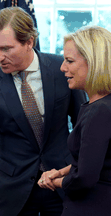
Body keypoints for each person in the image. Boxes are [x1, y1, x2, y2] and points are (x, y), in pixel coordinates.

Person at [0, 7, 87, 216]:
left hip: (61, 181)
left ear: (29, 41)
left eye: (6, 48)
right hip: (13, 189)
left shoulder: (62, 69)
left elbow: (82, 123)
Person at [38, 26, 111, 216]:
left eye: (69, 61)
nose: (63, 67)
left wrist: (52, 182)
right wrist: (60, 172)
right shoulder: (100, 104)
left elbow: (85, 177)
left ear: (94, 63)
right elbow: (93, 158)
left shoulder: (100, 111)